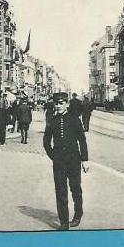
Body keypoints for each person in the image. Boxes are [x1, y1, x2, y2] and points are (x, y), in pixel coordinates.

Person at [43, 97, 89, 230]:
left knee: (75, 188)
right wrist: (54, 156)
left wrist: (84, 160)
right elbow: (46, 142)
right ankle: (64, 222)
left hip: (74, 160)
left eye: (61, 103)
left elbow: (82, 140)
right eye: (56, 104)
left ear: (67, 104)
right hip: (59, 162)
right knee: (60, 191)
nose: (58, 106)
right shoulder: (52, 121)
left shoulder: (74, 119)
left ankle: (77, 214)